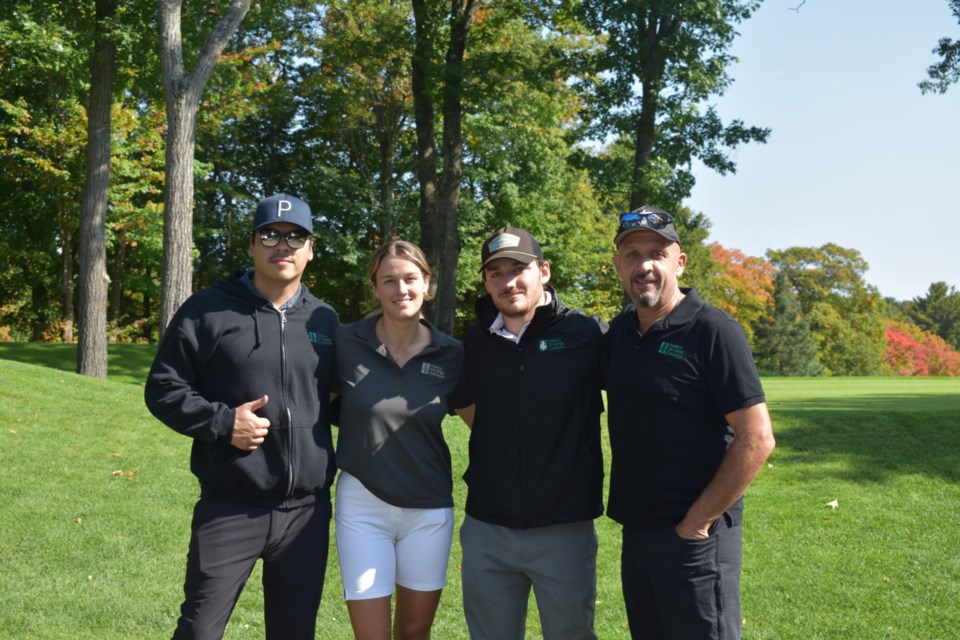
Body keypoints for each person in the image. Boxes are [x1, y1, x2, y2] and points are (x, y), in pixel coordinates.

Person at [144, 194, 338, 640]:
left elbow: (338, 399)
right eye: (270, 235)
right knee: (199, 631)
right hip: (230, 504)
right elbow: (163, 387)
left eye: (296, 238)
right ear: (252, 245)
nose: (282, 246)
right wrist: (222, 423)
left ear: (311, 249)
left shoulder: (325, 320)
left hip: (306, 513)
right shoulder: (207, 310)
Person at [605, 205, 776, 640]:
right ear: (618, 265)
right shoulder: (622, 333)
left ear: (679, 262)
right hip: (638, 536)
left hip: (697, 540)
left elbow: (756, 438)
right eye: (633, 254)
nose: (644, 265)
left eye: (657, 253)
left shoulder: (713, 331)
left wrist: (697, 522)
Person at [449, 226, 606, 640]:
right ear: (485, 281)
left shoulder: (585, 334)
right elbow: (465, 402)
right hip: (488, 530)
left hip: (564, 528)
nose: (508, 281)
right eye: (495, 273)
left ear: (544, 271)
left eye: (518, 269)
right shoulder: (475, 342)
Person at [332, 240, 464, 640]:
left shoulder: (453, 353)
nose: (400, 289)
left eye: (410, 279)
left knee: (413, 632)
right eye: (389, 280)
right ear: (374, 288)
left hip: (428, 509)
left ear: (427, 283)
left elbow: (489, 425)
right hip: (362, 506)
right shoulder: (344, 342)